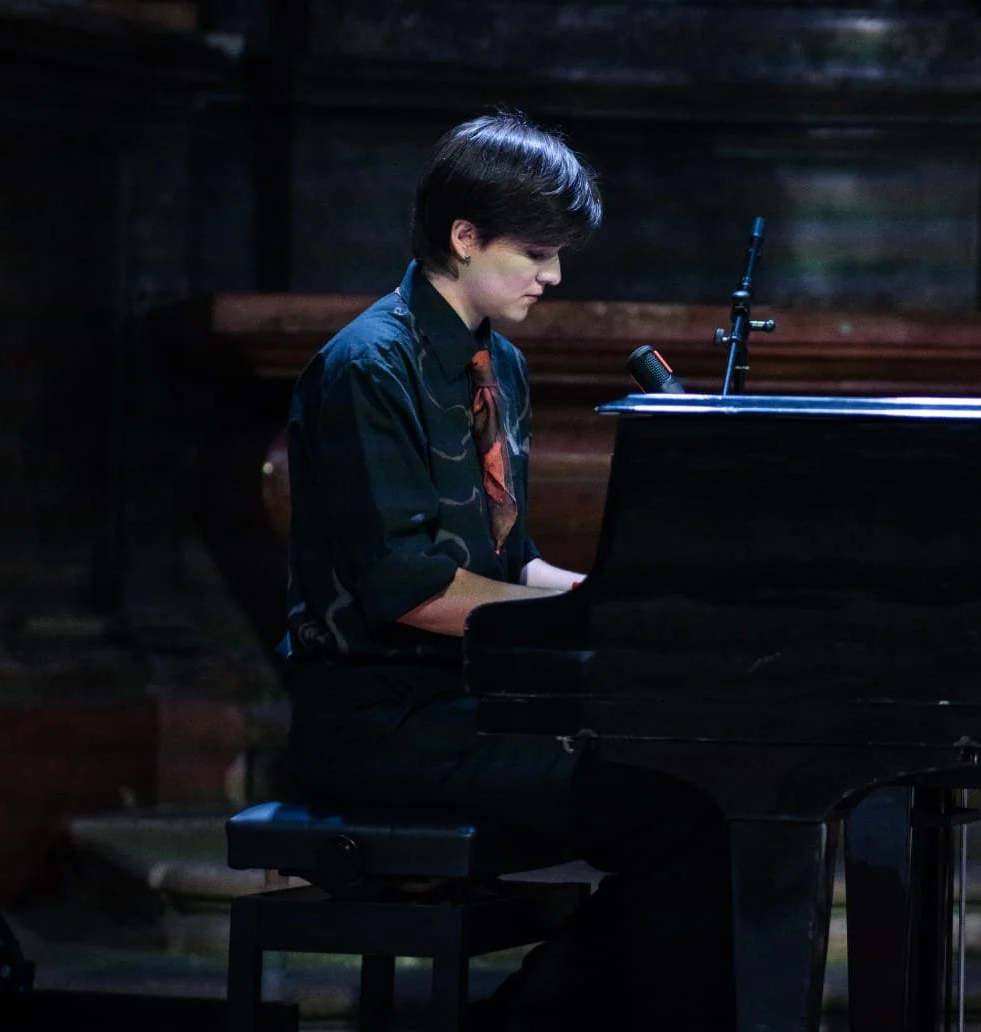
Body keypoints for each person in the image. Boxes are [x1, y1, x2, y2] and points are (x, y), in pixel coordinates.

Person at [280, 110, 736, 1031]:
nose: (553, 276)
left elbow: (510, 561)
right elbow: (414, 592)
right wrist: (592, 623)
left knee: (714, 799)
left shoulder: (500, 365)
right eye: (536, 252)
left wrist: (613, 598)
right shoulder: (368, 368)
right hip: (380, 721)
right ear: (464, 236)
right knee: (684, 814)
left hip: (467, 707)